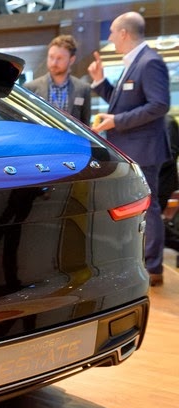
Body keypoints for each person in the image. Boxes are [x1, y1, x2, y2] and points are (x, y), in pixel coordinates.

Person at [88, 11, 170, 287]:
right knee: (142, 205)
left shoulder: (149, 62)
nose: (110, 38)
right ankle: (143, 261)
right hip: (134, 148)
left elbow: (159, 104)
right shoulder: (134, 63)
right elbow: (124, 102)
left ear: (124, 33)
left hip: (145, 149)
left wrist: (117, 121)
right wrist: (100, 82)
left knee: (149, 206)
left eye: (112, 32)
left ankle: (153, 267)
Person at [24, 34, 92, 125]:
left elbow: (85, 125)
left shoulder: (83, 89)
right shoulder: (31, 88)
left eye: (60, 58)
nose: (54, 63)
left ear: (71, 60)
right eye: (51, 57)